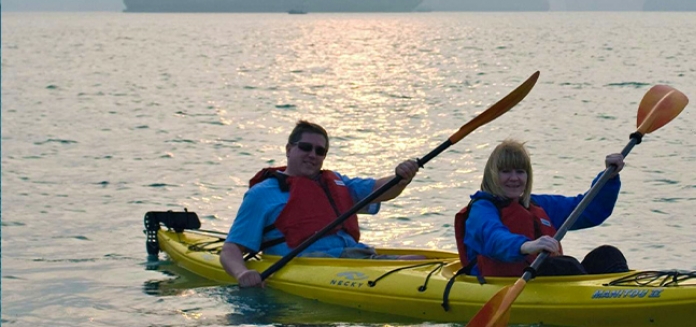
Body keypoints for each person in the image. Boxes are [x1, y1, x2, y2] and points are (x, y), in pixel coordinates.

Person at [220, 120, 420, 287]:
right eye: (305, 147)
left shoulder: (338, 183)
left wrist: (401, 178)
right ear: (289, 149)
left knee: (420, 262)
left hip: (356, 258)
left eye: (320, 151)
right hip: (311, 267)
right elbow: (231, 249)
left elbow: (381, 189)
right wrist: (242, 274)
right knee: (414, 267)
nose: (312, 154)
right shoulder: (262, 194)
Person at [454, 139, 629, 278]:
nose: (514, 178)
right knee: (564, 265)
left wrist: (609, 177)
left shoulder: (537, 205)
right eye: (506, 171)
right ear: (492, 175)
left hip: (543, 277)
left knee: (607, 255)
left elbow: (588, 210)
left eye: (520, 171)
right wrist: (526, 246)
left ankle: (629, 297)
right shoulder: (481, 210)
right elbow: (494, 238)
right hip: (500, 282)